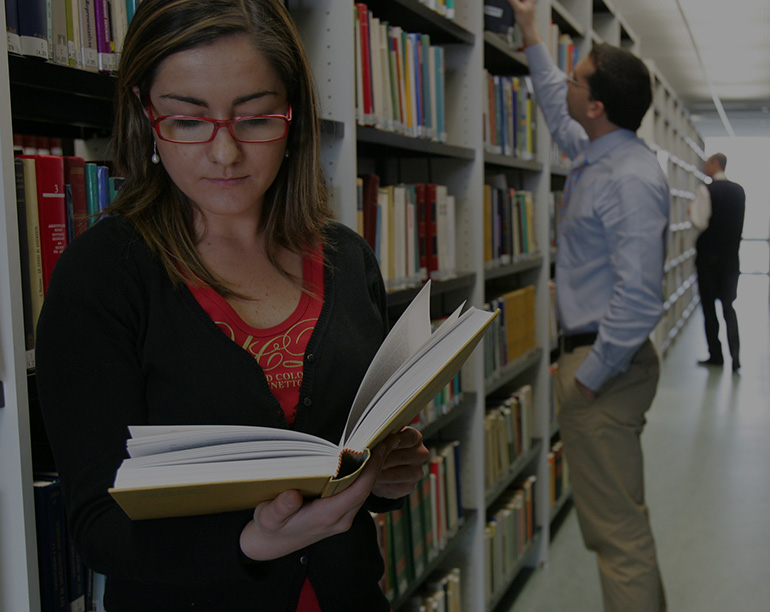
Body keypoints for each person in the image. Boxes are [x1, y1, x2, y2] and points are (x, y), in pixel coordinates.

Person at [34, 1, 429, 610]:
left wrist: (386, 479)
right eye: (188, 121)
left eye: (255, 118)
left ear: (293, 114)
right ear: (145, 113)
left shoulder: (347, 259)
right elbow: (97, 524)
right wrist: (251, 543)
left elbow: (347, 460)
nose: (225, 153)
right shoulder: (102, 276)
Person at [507, 2, 670, 610]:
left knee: (616, 537)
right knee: (619, 527)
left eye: (578, 79)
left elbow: (640, 297)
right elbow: (557, 103)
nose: (568, 85)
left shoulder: (629, 178)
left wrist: (590, 379)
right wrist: (531, 32)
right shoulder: (598, 152)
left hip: (605, 369)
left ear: (597, 106)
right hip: (598, 363)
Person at [689, 152, 746, 372]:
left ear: (715, 164)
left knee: (709, 308)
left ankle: (716, 355)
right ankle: (736, 357)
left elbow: (700, 222)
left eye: (707, 163)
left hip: (708, 259)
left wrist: (691, 211)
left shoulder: (706, 190)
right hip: (731, 259)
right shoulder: (739, 191)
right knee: (729, 307)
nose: (705, 167)